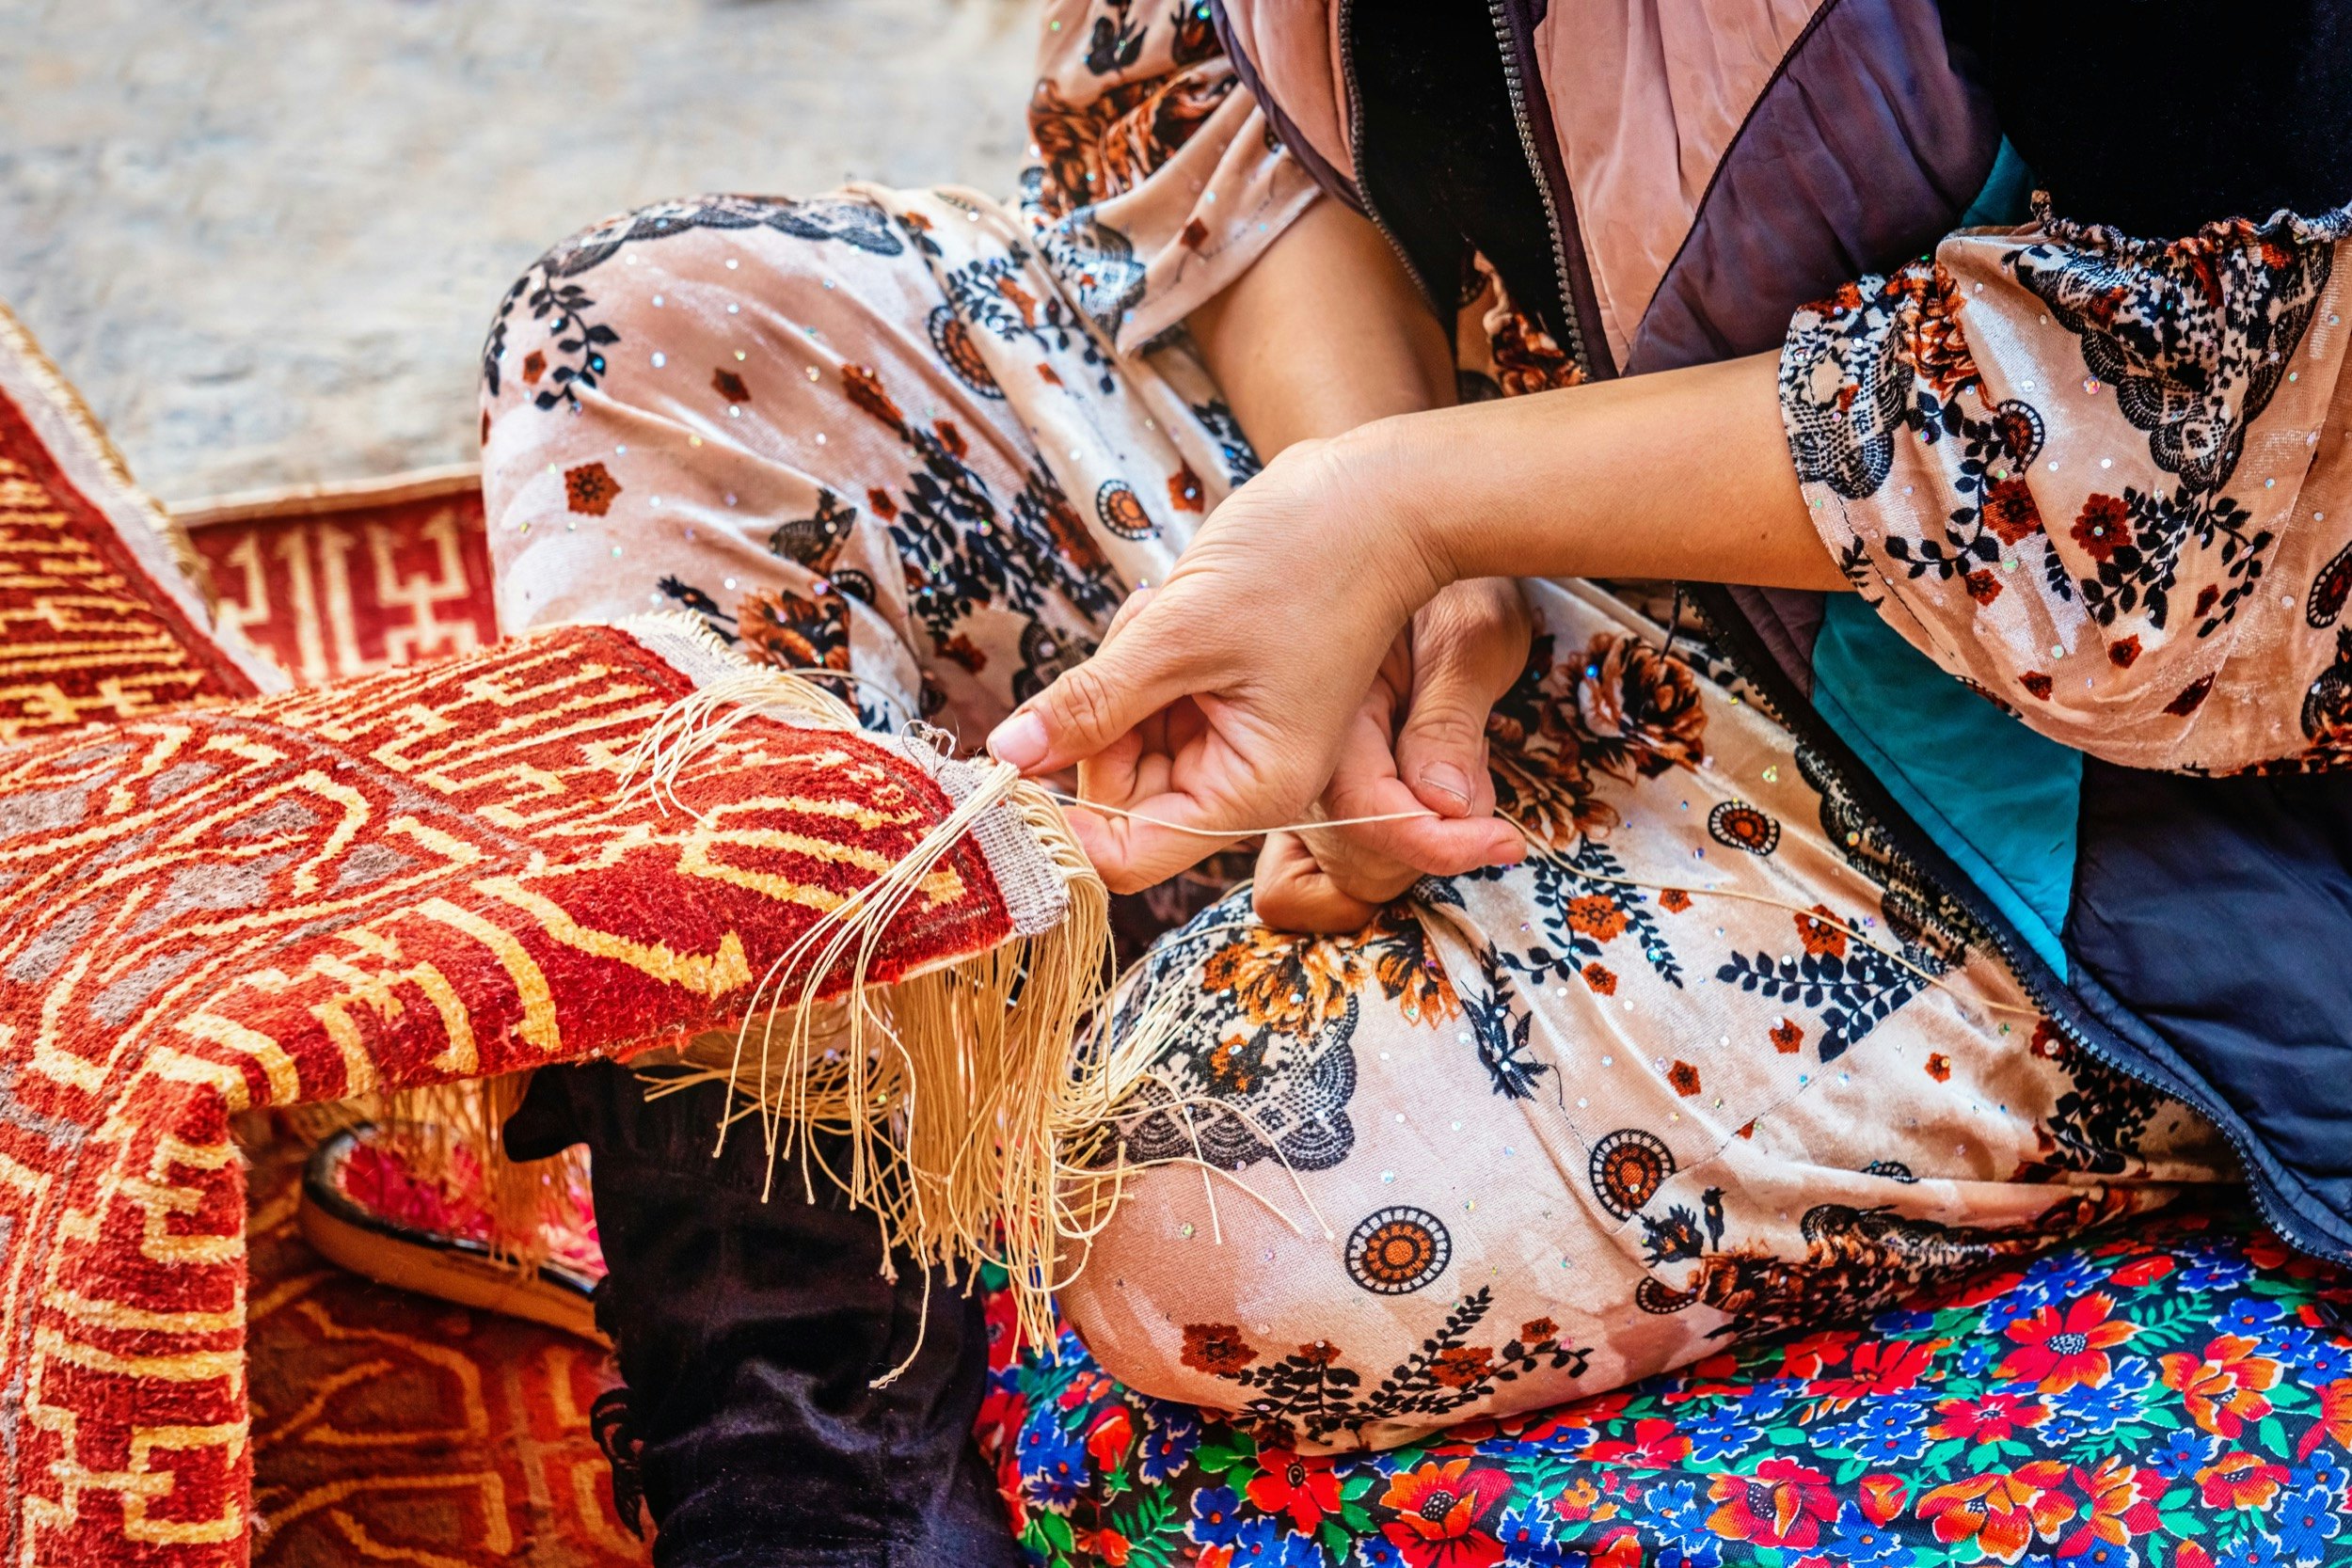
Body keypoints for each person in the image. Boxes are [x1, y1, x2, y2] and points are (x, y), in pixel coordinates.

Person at [480, 1, 2352, 1561]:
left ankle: (1059, 975)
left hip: (2041, 784)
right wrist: (1384, 549)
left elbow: (2251, 447)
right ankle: (801, 1460)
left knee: (1192, 1223)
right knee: (658, 343)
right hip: (1492, 490)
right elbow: (1209, 88)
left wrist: (1415, 512)